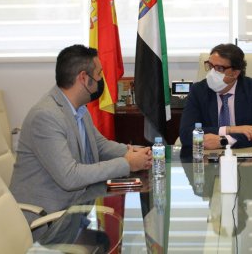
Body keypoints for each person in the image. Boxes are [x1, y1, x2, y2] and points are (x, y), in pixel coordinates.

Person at [10, 44, 152, 236]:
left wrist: (133, 152)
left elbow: (100, 145)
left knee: (121, 232)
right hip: (47, 221)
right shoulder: (45, 116)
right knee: (115, 237)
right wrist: (127, 164)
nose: (102, 80)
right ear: (84, 78)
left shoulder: (78, 109)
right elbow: (70, 177)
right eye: (100, 74)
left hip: (77, 206)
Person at [179, 43, 252, 151]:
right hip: (208, 161)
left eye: (219, 68)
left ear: (235, 73)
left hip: (246, 158)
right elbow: (186, 134)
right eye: (210, 66)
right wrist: (230, 130)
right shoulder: (198, 90)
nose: (212, 72)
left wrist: (223, 141)